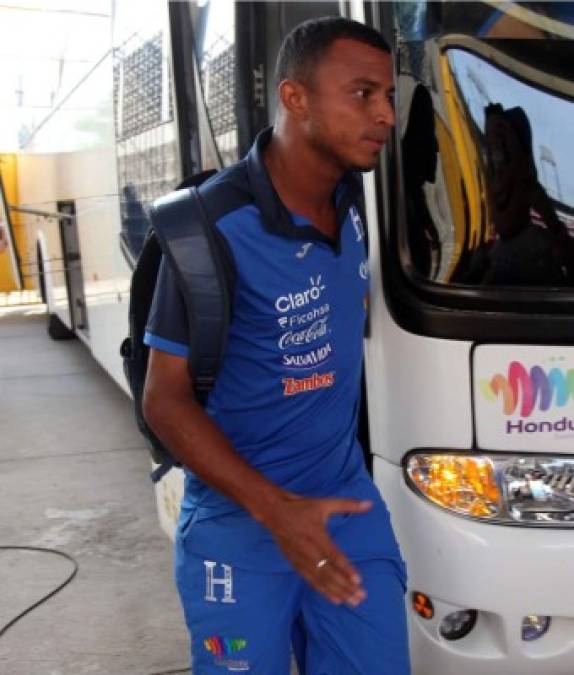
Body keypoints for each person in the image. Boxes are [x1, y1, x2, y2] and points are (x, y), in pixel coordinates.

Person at [143, 16, 410, 675]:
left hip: (347, 509)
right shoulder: (208, 228)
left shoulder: (355, 202)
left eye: (389, 97)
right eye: (363, 94)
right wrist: (277, 511)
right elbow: (164, 402)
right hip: (237, 531)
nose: (384, 115)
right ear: (295, 98)